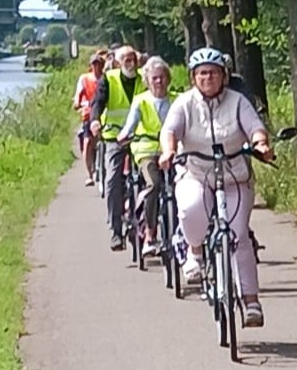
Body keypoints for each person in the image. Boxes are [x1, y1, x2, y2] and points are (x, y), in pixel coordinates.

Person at [157, 47, 276, 327]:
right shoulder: (185, 103)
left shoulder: (237, 101)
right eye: (201, 73)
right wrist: (169, 151)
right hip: (196, 172)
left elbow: (255, 127)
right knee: (190, 209)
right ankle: (195, 252)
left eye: (213, 72)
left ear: (224, 75)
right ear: (193, 77)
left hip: (234, 176)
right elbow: (170, 130)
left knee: (239, 235)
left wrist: (261, 144)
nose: (207, 78)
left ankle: (251, 301)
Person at [116, 56, 173, 257]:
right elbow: (130, 125)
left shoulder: (177, 99)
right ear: (147, 81)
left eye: (162, 77)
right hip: (147, 151)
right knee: (154, 184)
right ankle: (150, 234)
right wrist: (123, 136)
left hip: (172, 151)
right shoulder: (140, 101)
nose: (159, 81)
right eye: (154, 78)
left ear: (168, 79)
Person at [90, 45, 143, 250]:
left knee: (152, 178)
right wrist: (95, 120)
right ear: (119, 63)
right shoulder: (109, 79)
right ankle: (116, 231)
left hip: (141, 137)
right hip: (115, 137)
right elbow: (97, 102)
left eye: (133, 59)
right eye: (127, 60)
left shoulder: (144, 78)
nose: (131, 64)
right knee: (113, 180)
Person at [72, 51, 107, 186]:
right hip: (88, 113)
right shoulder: (85, 79)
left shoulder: (106, 78)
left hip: (104, 113)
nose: (96, 67)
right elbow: (78, 97)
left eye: (99, 64)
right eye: (94, 64)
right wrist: (78, 103)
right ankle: (89, 174)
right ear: (91, 65)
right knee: (87, 142)